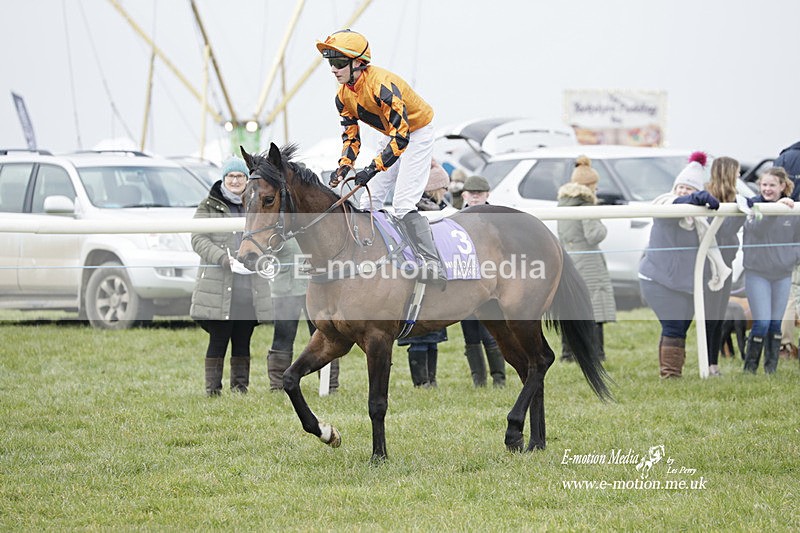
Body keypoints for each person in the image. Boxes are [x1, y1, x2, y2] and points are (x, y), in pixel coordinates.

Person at [316, 29, 445, 287]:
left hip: (415, 132)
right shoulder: (342, 96)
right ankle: (373, 259)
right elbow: (351, 138)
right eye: (331, 62)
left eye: (339, 63)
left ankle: (433, 263)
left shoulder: (382, 86)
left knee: (403, 203)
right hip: (390, 133)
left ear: (359, 63)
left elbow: (402, 138)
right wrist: (344, 167)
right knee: (365, 203)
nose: (333, 69)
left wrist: (371, 169)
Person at [639, 152, 726, 378]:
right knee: (674, 326)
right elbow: (675, 205)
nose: (683, 192)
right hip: (659, 280)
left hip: (687, 283)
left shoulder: (699, 219)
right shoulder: (665, 205)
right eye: (681, 187)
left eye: (689, 189)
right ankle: (670, 376)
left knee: (679, 329)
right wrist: (692, 199)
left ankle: (673, 372)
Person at [190, 157, 272, 395]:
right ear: (224, 179)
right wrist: (223, 259)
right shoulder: (208, 205)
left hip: (249, 284)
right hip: (218, 284)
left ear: (247, 180)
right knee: (218, 338)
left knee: (243, 338)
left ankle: (240, 389)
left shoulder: (255, 205)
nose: (235, 181)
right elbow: (198, 239)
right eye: (231, 176)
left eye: (240, 176)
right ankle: (212, 390)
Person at [741, 166, 800, 374]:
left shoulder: (793, 211)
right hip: (758, 273)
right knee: (762, 322)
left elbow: (797, 241)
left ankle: (771, 370)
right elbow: (757, 229)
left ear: (782, 186)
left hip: (782, 274)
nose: (767, 189)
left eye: (772, 185)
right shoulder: (754, 206)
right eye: (764, 185)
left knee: (776, 323)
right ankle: (749, 369)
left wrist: (791, 257)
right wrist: (775, 210)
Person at [556, 156, 616, 361]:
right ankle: (597, 354)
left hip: (570, 259)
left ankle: (568, 353)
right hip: (588, 262)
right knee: (594, 308)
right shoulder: (586, 206)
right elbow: (594, 235)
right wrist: (604, 226)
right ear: (590, 186)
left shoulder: (563, 203)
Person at [399, 162, 452, 387]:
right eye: (444, 187)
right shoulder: (422, 212)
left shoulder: (431, 209)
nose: (446, 192)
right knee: (421, 338)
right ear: (433, 188)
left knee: (432, 338)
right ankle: (422, 383)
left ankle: (430, 381)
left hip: (430, 278)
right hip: (419, 277)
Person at [458, 174, 506, 387]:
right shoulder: (456, 218)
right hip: (465, 281)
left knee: (490, 331)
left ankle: (499, 377)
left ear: (487, 195)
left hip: (490, 281)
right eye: (472, 194)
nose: (475, 198)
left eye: (479, 194)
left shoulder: (495, 218)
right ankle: (479, 379)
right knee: (470, 333)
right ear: (464, 195)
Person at [703, 156, 743, 376]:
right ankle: (707, 362)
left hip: (726, 263)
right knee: (710, 315)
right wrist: (741, 215)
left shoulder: (735, 197)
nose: (739, 175)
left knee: (719, 314)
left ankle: (713, 363)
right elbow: (724, 231)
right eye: (736, 172)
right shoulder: (708, 196)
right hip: (709, 265)